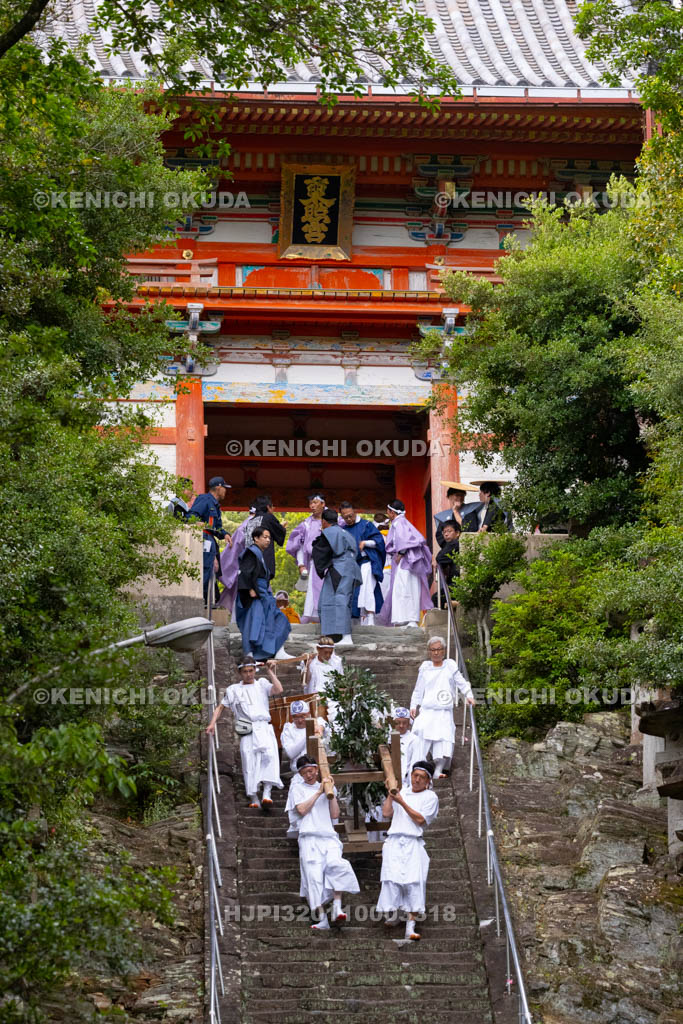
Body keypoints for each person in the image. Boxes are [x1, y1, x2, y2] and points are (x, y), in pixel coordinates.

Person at [286, 754, 360, 930]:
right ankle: (322, 919)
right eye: (304, 773)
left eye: (310, 771)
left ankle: (337, 906)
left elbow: (335, 814)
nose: (308, 775)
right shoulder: (297, 788)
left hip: (328, 836)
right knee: (313, 877)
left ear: (317, 770)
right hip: (309, 837)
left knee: (336, 865)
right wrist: (318, 792)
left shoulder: (326, 787)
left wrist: (331, 793)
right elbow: (302, 810)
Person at [206, 656, 283, 809]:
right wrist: (212, 724)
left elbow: (278, 689)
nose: (249, 674)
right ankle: (254, 797)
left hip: (263, 726)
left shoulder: (262, 684)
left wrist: (270, 671)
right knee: (249, 760)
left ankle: (267, 793)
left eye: (251, 670)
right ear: (240, 672)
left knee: (269, 757)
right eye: (245, 671)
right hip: (247, 727)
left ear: (255, 670)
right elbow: (220, 707)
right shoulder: (234, 689)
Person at [375, 761, 439, 941]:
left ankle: (410, 926)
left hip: (413, 842)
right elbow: (387, 813)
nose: (417, 780)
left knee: (414, 883)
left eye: (421, 777)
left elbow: (420, 819)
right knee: (392, 880)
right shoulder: (401, 792)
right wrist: (391, 794)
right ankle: (395, 915)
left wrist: (401, 802)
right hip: (394, 841)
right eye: (415, 775)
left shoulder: (430, 797)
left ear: (428, 781)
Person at [410, 637, 476, 780]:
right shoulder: (425, 668)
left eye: (439, 649)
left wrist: (469, 695)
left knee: (444, 741)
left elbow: (461, 682)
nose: (436, 653)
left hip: (444, 711)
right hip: (427, 710)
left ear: (444, 651)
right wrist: (413, 705)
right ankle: (418, 770)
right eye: (433, 650)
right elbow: (418, 689)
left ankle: (437, 770)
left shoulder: (450, 666)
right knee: (422, 738)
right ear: (429, 652)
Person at [235, 527, 292, 660]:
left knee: (279, 619)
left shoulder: (259, 554)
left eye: (269, 538)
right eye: (265, 537)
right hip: (254, 595)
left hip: (263, 594)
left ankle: (277, 651)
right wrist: (250, 589)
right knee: (252, 624)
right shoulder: (251, 553)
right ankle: (249, 655)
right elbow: (244, 573)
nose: (268, 540)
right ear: (256, 538)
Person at [377, 500, 432, 629]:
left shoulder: (399, 523)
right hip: (408, 561)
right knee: (407, 589)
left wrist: (401, 553)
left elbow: (405, 541)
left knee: (405, 589)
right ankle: (406, 619)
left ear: (391, 512)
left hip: (406, 562)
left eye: (388, 511)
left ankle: (409, 619)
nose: (387, 514)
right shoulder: (402, 522)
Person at [312, 509, 361, 646]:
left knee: (339, 600)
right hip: (351, 569)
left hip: (339, 569)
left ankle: (345, 636)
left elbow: (321, 550)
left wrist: (321, 567)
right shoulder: (346, 533)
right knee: (333, 600)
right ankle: (334, 635)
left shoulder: (329, 532)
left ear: (324, 522)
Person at [339, 501, 386, 626]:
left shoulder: (366, 525)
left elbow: (379, 541)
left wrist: (365, 543)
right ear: (342, 516)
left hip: (367, 562)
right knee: (352, 592)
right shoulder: (343, 530)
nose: (349, 519)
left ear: (354, 512)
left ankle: (370, 618)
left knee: (367, 589)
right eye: (346, 517)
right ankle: (355, 621)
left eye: (351, 515)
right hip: (352, 565)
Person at [188, 476, 231, 603]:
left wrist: (225, 534)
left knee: (213, 571)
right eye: (224, 488)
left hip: (211, 540)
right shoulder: (204, 499)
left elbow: (217, 527)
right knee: (205, 569)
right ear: (218, 488)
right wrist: (197, 522)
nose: (225, 491)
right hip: (203, 538)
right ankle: (198, 601)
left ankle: (206, 601)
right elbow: (191, 515)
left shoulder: (216, 505)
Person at [286, 493, 326, 623]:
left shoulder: (334, 520)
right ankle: (309, 615)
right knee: (312, 591)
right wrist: (301, 564)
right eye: (311, 503)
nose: (312, 506)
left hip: (331, 563)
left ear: (323, 504)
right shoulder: (306, 524)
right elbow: (300, 546)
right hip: (314, 562)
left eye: (315, 502)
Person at [217, 505, 257, 615]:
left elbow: (232, 554)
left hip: (243, 569)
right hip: (249, 569)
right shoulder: (250, 527)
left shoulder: (243, 528)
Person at [280, 700, 329, 774]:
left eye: (303, 716)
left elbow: (323, 725)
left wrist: (320, 728)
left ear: (308, 714)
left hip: (320, 770)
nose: (299, 720)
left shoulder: (317, 722)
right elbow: (290, 753)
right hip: (299, 772)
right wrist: (308, 734)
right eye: (295, 717)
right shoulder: (288, 729)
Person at [245, 495, 287, 579]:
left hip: (248, 564)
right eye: (272, 506)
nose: (273, 509)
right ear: (268, 507)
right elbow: (279, 534)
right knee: (262, 588)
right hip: (262, 564)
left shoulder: (250, 521)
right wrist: (282, 528)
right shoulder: (268, 517)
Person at [391, 707, 417, 787]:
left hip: (406, 782)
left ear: (409, 723)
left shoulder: (414, 739)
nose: (401, 726)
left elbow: (416, 761)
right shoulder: (387, 737)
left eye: (404, 723)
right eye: (398, 723)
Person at [434, 520, 461, 590]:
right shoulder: (449, 545)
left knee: (435, 598)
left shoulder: (456, 544)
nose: (446, 534)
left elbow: (440, 558)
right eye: (444, 532)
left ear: (457, 533)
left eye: (449, 531)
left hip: (458, 585)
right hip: (454, 584)